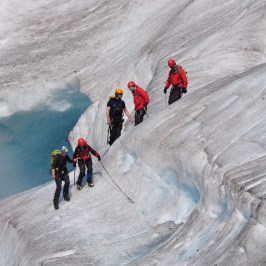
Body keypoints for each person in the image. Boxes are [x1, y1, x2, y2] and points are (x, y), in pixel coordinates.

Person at [51, 146, 78, 210]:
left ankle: (65, 195)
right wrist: (53, 174)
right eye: (65, 152)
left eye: (66, 152)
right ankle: (55, 202)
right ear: (62, 152)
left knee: (67, 182)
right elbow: (53, 166)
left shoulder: (66, 156)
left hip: (64, 172)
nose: (66, 154)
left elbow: (70, 161)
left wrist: (75, 160)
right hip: (58, 174)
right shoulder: (56, 157)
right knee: (59, 187)